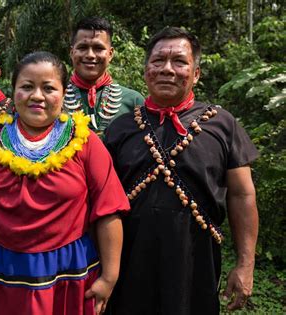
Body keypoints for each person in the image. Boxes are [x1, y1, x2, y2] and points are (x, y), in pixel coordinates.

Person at [0, 51, 129, 315]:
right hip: (1, 270)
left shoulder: (85, 143)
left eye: (48, 88)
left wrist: (109, 277)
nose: (37, 96)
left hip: (68, 272)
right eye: (27, 87)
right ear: (13, 93)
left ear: (63, 92)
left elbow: (108, 209)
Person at [104, 27, 259, 314]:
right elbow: (101, 204)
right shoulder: (120, 128)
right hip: (129, 264)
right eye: (158, 61)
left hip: (196, 265)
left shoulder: (222, 124)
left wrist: (245, 264)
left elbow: (242, 195)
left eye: (179, 61)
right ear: (146, 70)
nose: (167, 69)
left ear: (196, 73)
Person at [64, 16, 144, 137]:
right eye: (82, 48)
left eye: (98, 48)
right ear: (72, 52)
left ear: (110, 54)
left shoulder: (133, 101)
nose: (90, 55)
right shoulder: (56, 99)